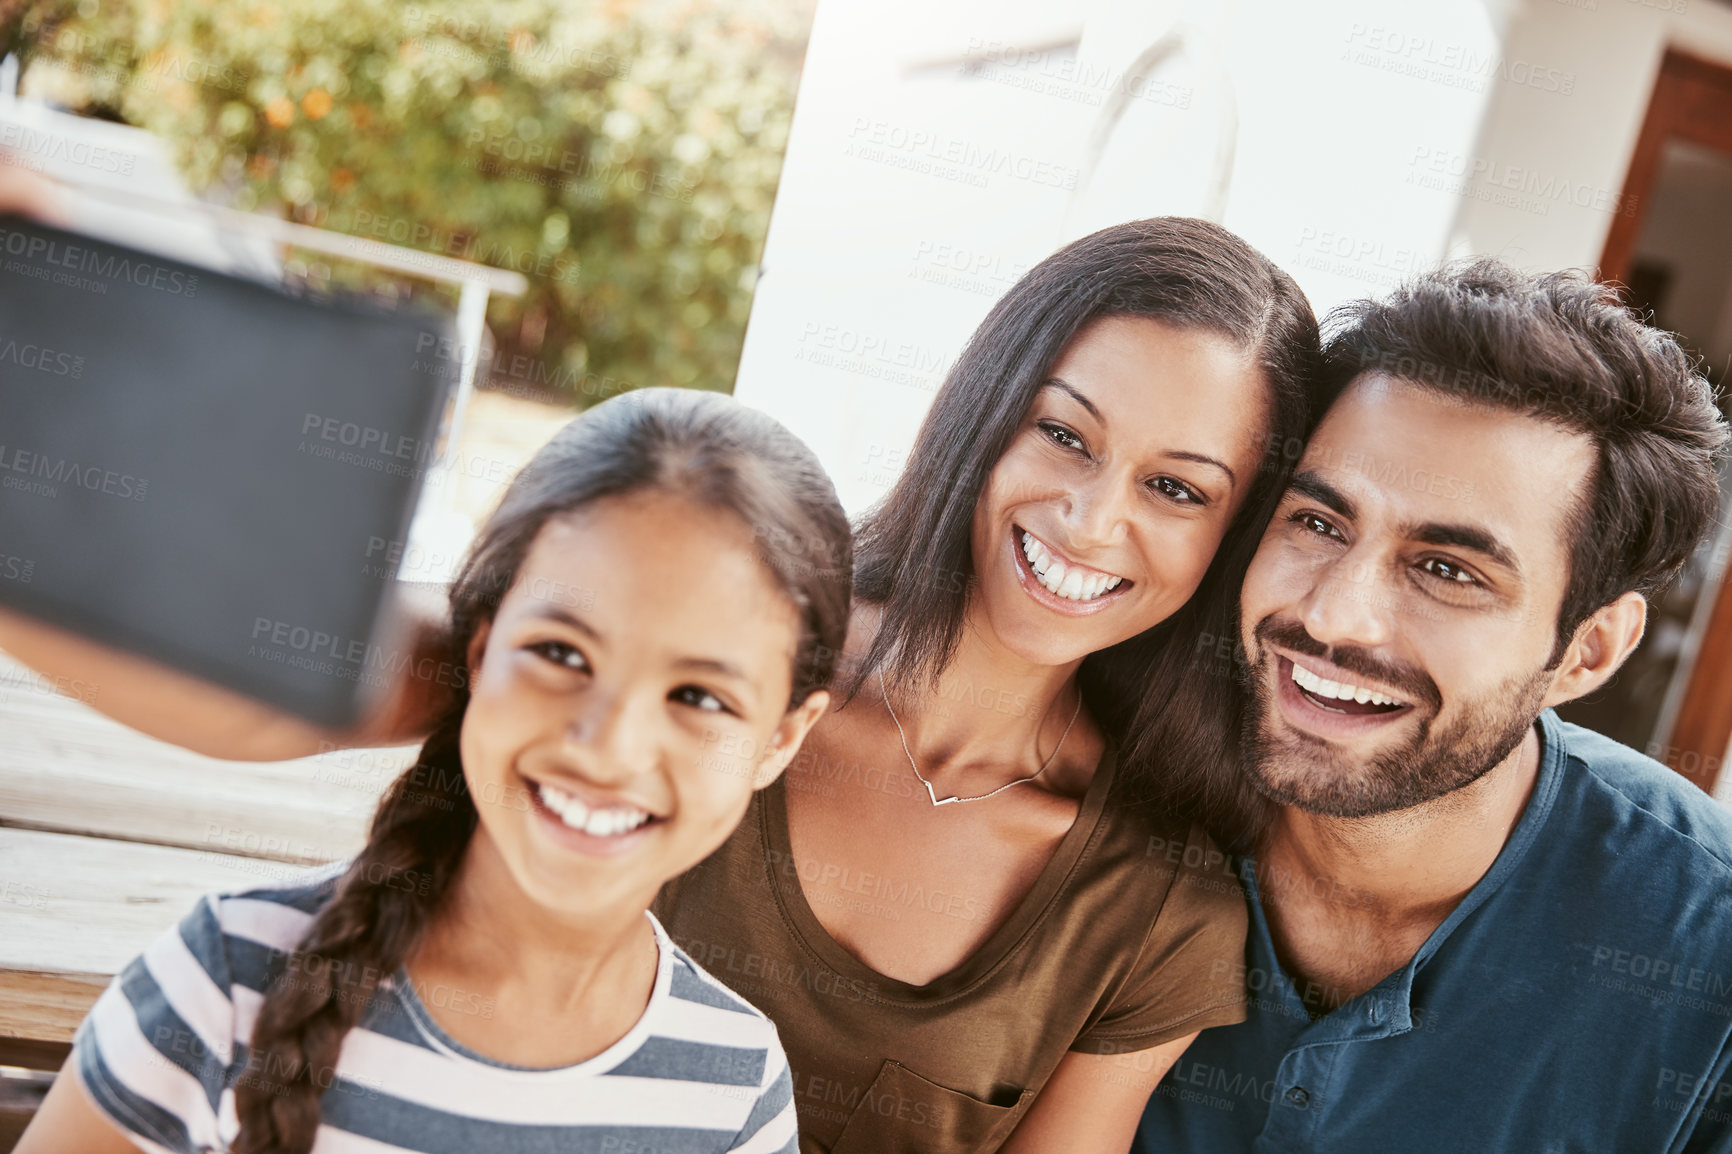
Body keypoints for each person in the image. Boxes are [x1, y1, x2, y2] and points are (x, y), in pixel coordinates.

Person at [0, 217, 1327, 1152]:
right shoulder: (717, 644)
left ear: (1233, 530)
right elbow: (285, 675)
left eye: (1175, 487)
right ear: (990, 407)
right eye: (1063, 431)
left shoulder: (1160, 899)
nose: (1093, 519)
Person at [15, 387, 854, 1154]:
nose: (609, 746)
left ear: (782, 739)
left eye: (700, 697)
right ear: (480, 652)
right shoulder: (226, 979)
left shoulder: (734, 1091)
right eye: (561, 652)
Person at [1133, 261, 1732, 1152]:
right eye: (1320, 523)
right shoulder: (1103, 770)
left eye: (1448, 571)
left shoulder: (1706, 957)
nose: (1333, 613)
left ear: (1587, 650)